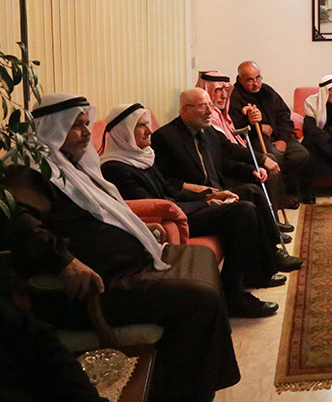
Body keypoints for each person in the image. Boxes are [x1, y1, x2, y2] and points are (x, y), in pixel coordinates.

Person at [4, 93, 240, 402]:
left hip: (125, 269)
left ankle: (190, 383)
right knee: (201, 298)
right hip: (98, 287)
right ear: (53, 129)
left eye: (87, 124)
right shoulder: (29, 173)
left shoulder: (70, 166)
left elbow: (107, 212)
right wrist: (64, 261)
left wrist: (139, 231)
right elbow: (20, 224)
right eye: (76, 126)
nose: (86, 133)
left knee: (202, 257)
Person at [100, 103, 291, 317]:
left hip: (179, 210)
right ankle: (234, 296)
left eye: (148, 124)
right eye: (141, 126)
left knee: (244, 199)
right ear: (124, 131)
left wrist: (209, 195)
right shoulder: (115, 167)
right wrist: (206, 203)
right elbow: (154, 207)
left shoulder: (141, 156)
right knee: (242, 212)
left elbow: (169, 189)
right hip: (168, 223)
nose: (149, 130)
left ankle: (254, 273)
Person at [151, 88, 302, 267]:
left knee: (252, 190)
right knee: (245, 209)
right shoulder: (165, 137)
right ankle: (264, 264)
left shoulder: (208, 131)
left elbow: (224, 159)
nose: (209, 111)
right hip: (196, 202)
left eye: (210, 105)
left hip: (219, 191)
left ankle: (274, 250)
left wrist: (252, 169)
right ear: (185, 109)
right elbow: (165, 182)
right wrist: (200, 191)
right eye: (202, 106)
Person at [197, 70, 294, 224]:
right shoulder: (208, 117)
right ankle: (271, 222)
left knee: (270, 160)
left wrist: (256, 122)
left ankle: (273, 218)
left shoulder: (222, 112)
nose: (224, 96)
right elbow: (227, 148)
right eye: (218, 90)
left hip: (234, 159)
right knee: (267, 161)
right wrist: (259, 160)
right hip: (223, 171)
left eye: (226, 90)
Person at [229, 60, 312, 203]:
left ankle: (293, 191)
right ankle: (279, 197)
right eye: (250, 80)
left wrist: (283, 140)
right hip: (254, 138)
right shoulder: (234, 97)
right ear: (240, 80)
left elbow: (284, 116)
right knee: (274, 157)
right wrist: (256, 126)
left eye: (258, 78)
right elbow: (233, 127)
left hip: (279, 135)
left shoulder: (267, 91)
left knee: (301, 155)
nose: (256, 84)